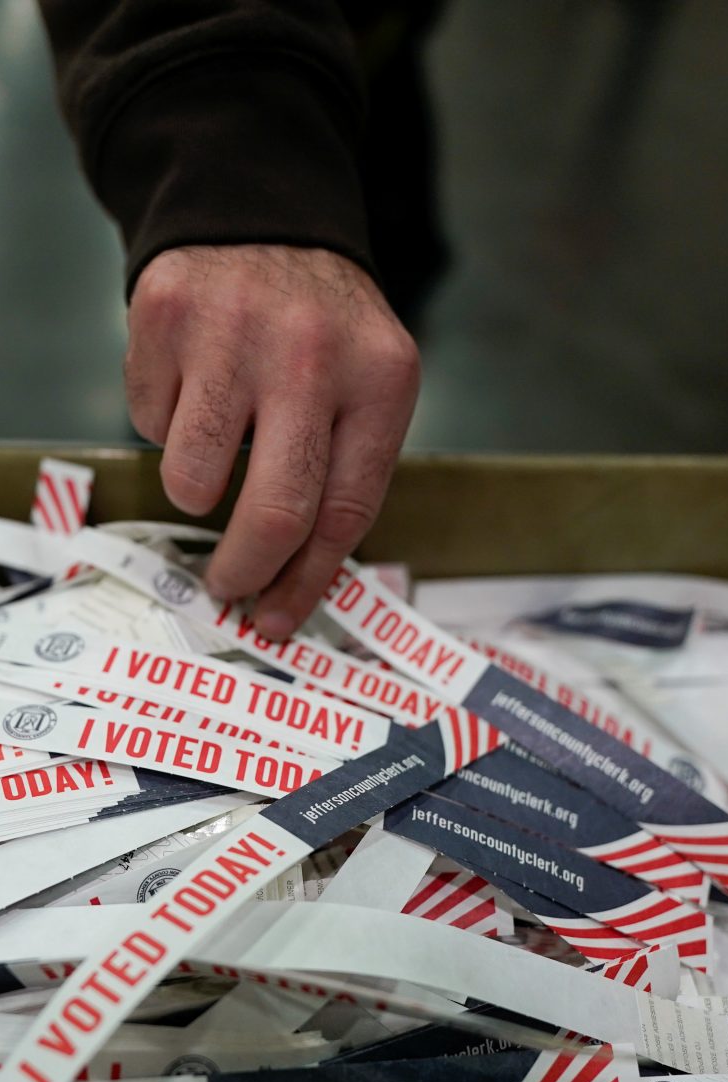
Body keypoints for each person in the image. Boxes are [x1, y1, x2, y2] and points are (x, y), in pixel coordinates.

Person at [39, 0, 447, 639]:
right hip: (224, 64)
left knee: (327, 410)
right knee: (204, 420)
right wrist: (237, 179)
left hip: (374, 71)